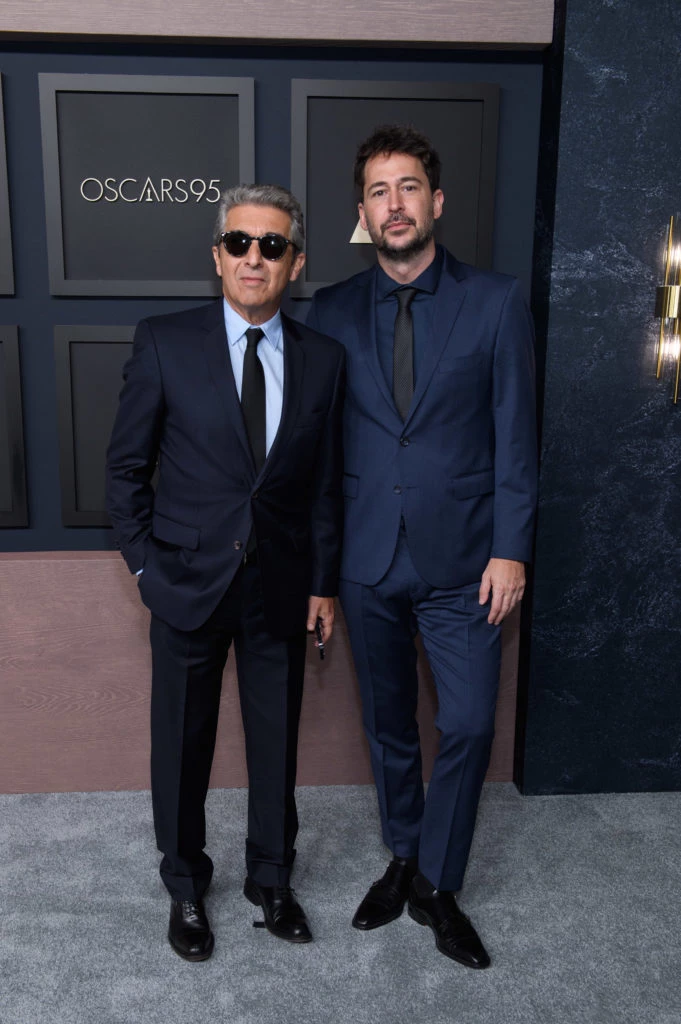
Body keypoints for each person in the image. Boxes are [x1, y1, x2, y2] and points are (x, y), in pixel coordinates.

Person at [307, 125, 537, 969]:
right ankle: (403, 855)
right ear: (363, 212)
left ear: (435, 202)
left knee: (468, 722)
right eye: (378, 191)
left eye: (407, 187)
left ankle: (438, 883)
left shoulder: (494, 301)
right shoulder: (330, 308)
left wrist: (511, 548)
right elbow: (320, 452)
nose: (394, 204)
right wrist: (319, 574)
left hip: (467, 561)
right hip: (366, 557)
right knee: (387, 724)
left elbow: (515, 435)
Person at [106, 184, 344, 961]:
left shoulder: (322, 360)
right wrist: (145, 568)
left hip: (280, 586)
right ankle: (184, 884)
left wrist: (323, 583)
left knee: (275, 744)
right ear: (217, 256)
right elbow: (125, 470)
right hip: (185, 583)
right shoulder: (164, 342)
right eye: (239, 243)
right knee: (181, 745)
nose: (253, 258)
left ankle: (271, 880)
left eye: (271, 246)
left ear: (294, 263)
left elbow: (324, 486)